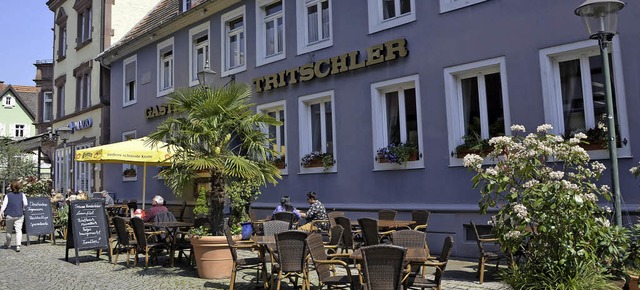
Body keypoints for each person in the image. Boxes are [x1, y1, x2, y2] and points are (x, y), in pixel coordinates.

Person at [0, 181, 28, 252]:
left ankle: (8, 244)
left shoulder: (8, 195)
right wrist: (22, 208)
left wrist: (1, 212)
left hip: (9, 215)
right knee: (18, 230)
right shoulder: (22, 194)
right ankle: (18, 245)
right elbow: (25, 204)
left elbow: (4, 205)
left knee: (8, 231)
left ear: (11, 187)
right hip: (19, 214)